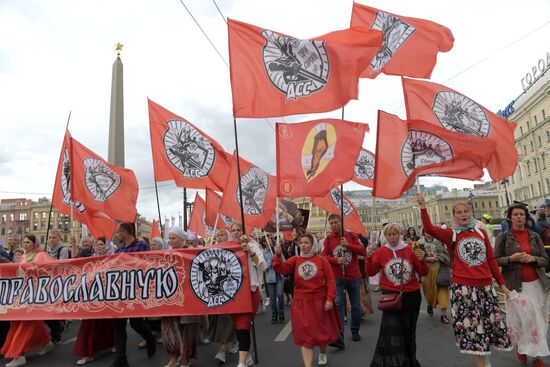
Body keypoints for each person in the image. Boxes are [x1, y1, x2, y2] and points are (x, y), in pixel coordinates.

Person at [416, 193, 512, 367]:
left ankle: (484, 359)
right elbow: (429, 229)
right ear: (454, 216)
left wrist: (502, 285)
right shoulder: (451, 234)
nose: (463, 214)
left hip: (486, 288)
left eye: (465, 211)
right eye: (458, 212)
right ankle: (482, 364)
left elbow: (490, 260)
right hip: (464, 290)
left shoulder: (481, 232)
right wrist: (423, 206)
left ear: (470, 213)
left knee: (488, 329)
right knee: (474, 332)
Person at [494, 204, 550, 367]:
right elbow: (495, 259)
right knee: (524, 321)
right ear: (510, 217)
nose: (519, 217)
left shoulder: (534, 236)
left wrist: (534, 259)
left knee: (539, 322)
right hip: (515, 286)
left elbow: (545, 259)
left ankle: (536, 356)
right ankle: (522, 348)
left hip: (538, 285)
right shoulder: (503, 237)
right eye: (516, 214)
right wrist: (511, 258)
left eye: (522, 214)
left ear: (526, 217)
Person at [365, 223, 428, 367]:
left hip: (411, 297)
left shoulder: (411, 249)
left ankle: (408, 360)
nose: (392, 238)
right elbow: (371, 272)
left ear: (400, 234)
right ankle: (393, 362)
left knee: (408, 332)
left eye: (395, 234)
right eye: (389, 235)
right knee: (391, 332)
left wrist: (422, 259)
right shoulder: (380, 252)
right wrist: (368, 257)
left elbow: (423, 272)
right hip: (390, 298)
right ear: (385, 236)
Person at [273, 233, 340, 367]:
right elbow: (281, 269)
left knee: (321, 332)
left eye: (306, 243)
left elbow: (331, 282)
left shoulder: (322, 261)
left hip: (319, 302)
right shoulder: (295, 260)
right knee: (305, 336)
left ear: (313, 244)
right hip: (301, 303)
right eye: (301, 243)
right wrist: (278, 255)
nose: (303, 245)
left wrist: (329, 299)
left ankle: (322, 353)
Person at [2, 234, 52, 367]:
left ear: (34, 243)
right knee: (27, 320)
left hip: (37, 294)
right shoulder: (23, 257)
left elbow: (52, 271)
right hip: (24, 293)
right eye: (24, 242)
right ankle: (46, 341)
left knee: (26, 322)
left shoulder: (42, 255)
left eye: (28, 242)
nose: (25, 244)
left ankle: (19, 355)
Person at [110, 222, 156, 367]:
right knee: (119, 325)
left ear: (125, 233)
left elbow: (149, 264)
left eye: (118, 232)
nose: (117, 235)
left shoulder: (142, 246)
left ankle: (150, 338)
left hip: (136, 291)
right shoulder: (119, 250)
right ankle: (121, 358)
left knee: (136, 323)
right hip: (121, 292)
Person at [321, 214, 365, 348]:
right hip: (337, 277)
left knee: (355, 305)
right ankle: (339, 336)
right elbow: (323, 257)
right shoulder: (328, 239)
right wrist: (336, 260)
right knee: (338, 304)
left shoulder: (352, 236)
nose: (333, 225)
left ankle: (355, 329)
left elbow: (363, 251)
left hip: (353, 276)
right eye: (331, 223)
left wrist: (348, 245)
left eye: (335, 222)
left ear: (341, 222)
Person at [72, 236, 115, 365]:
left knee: (107, 324)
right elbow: (74, 262)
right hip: (91, 297)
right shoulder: (91, 258)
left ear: (106, 246)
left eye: (101, 244)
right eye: (96, 245)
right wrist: (74, 246)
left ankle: (112, 342)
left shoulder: (113, 258)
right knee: (88, 325)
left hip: (107, 296)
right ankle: (87, 353)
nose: (98, 247)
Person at [161, 227, 200, 367]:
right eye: (169, 238)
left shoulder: (191, 253)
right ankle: (173, 357)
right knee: (169, 328)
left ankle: (185, 359)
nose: (170, 241)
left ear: (183, 239)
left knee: (186, 330)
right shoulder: (165, 253)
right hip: (170, 297)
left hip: (187, 298)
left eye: (173, 238)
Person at [229, 222, 266, 367]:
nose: (236, 232)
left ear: (244, 232)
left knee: (244, 325)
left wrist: (250, 252)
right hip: (234, 293)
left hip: (250, 291)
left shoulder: (253, 245)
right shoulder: (229, 247)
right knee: (239, 326)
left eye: (239, 230)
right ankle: (246, 355)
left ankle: (242, 362)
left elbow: (263, 266)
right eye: (234, 230)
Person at [208, 228, 238, 364]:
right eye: (218, 235)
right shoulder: (211, 250)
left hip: (230, 290)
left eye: (222, 235)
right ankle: (235, 339)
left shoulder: (234, 249)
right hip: (215, 292)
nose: (219, 237)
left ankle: (222, 350)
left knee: (226, 319)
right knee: (218, 319)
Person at [418, 231, 450, 324]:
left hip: (440, 270)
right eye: (426, 231)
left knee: (443, 291)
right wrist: (427, 258)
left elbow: (445, 254)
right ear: (424, 232)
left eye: (430, 231)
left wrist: (437, 258)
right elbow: (416, 256)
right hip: (426, 271)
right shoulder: (419, 242)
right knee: (429, 291)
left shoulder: (439, 241)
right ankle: (430, 304)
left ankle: (443, 315)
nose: (429, 233)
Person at [44, 230, 68, 346]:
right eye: (49, 237)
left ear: (59, 238)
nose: (51, 239)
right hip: (48, 284)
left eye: (54, 237)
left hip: (58, 283)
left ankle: (56, 335)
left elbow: (62, 265)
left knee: (52, 311)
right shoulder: (46, 250)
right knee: (47, 311)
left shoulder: (62, 250)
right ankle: (59, 326)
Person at [262, 236, 285, 324]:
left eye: (271, 240)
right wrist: (271, 260)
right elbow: (264, 267)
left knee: (280, 295)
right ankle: (274, 314)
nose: (270, 241)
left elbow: (284, 261)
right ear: (264, 242)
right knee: (272, 298)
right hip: (270, 278)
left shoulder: (277, 250)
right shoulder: (263, 253)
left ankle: (281, 313)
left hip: (279, 276)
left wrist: (279, 255)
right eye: (268, 240)